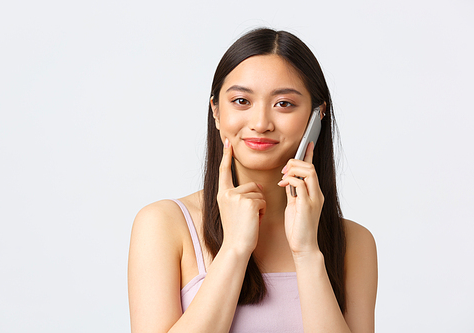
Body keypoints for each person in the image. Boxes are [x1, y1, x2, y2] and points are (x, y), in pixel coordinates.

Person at [128, 28, 378, 333]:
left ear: (317, 116)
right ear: (216, 112)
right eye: (241, 101)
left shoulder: (353, 242)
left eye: (284, 103)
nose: (261, 124)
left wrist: (307, 253)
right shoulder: (164, 224)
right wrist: (234, 248)